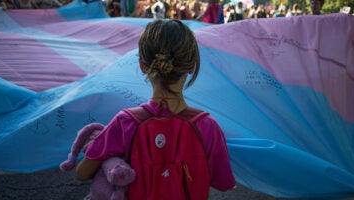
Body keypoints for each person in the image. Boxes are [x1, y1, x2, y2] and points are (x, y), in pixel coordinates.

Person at [75, 19, 236, 198]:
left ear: (143, 66)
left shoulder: (125, 121)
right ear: (191, 67)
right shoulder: (207, 126)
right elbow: (224, 182)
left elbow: (82, 173)